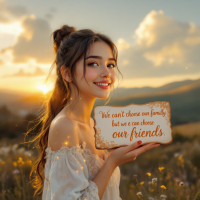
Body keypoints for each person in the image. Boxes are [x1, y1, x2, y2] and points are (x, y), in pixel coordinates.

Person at [29, 24, 160, 200]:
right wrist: (112, 162)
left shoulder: (94, 125)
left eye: (111, 64)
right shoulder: (65, 126)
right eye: (93, 64)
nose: (106, 73)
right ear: (67, 74)